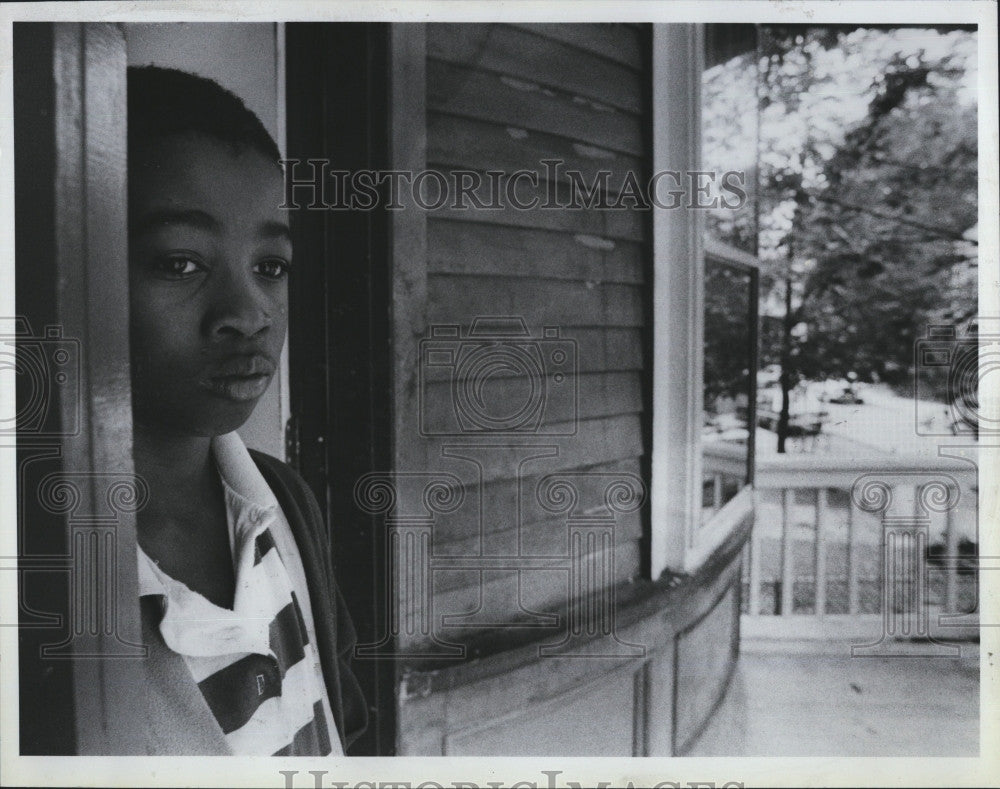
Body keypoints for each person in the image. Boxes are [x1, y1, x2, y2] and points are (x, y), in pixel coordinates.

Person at [127, 65, 366, 755]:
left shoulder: (284, 502)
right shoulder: (46, 566)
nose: (246, 314)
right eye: (180, 263)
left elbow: (339, 715)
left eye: (271, 266)